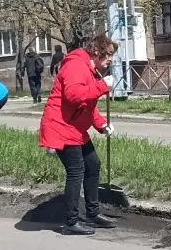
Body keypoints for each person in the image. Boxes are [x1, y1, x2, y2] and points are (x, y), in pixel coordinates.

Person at [39, 33, 115, 235]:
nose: (110, 60)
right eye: (108, 55)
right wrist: (102, 86)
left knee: (93, 165)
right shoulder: (75, 65)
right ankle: (71, 222)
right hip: (61, 126)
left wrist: (101, 124)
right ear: (97, 51)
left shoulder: (89, 69)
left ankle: (92, 213)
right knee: (76, 171)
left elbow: (87, 106)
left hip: (74, 127)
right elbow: (74, 96)